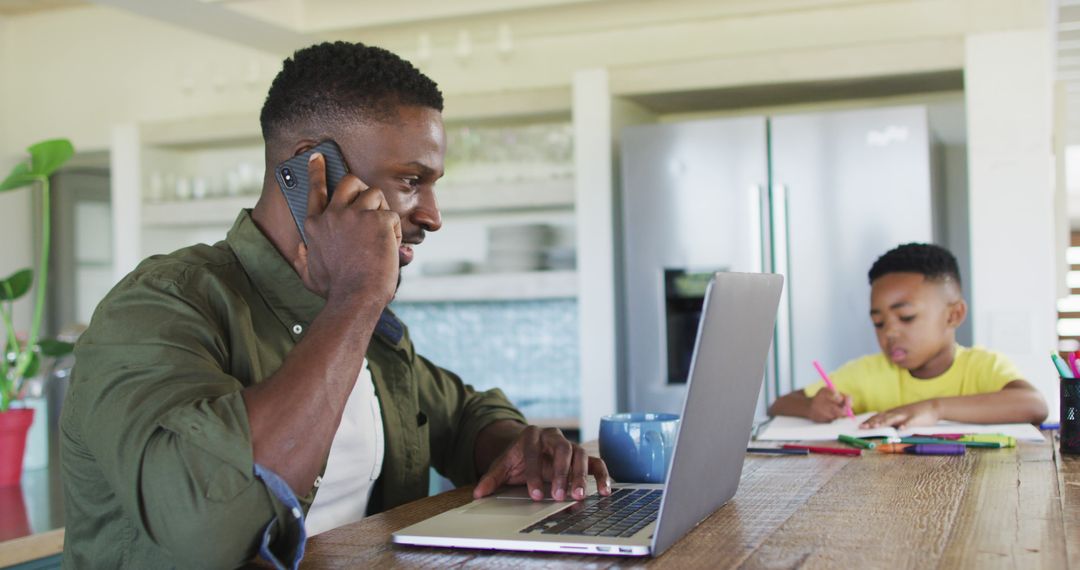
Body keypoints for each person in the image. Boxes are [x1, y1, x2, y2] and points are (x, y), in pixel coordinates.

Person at [60, 41, 610, 569]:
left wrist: (521, 447)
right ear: (311, 170)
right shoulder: (159, 306)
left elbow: (462, 415)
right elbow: (211, 525)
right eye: (411, 181)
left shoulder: (360, 322)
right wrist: (357, 294)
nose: (434, 215)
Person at [768, 242, 1047, 429]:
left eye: (907, 317)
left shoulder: (982, 367)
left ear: (954, 315)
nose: (889, 332)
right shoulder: (868, 372)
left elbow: (1033, 405)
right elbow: (779, 404)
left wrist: (935, 409)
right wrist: (813, 408)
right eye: (878, 322)